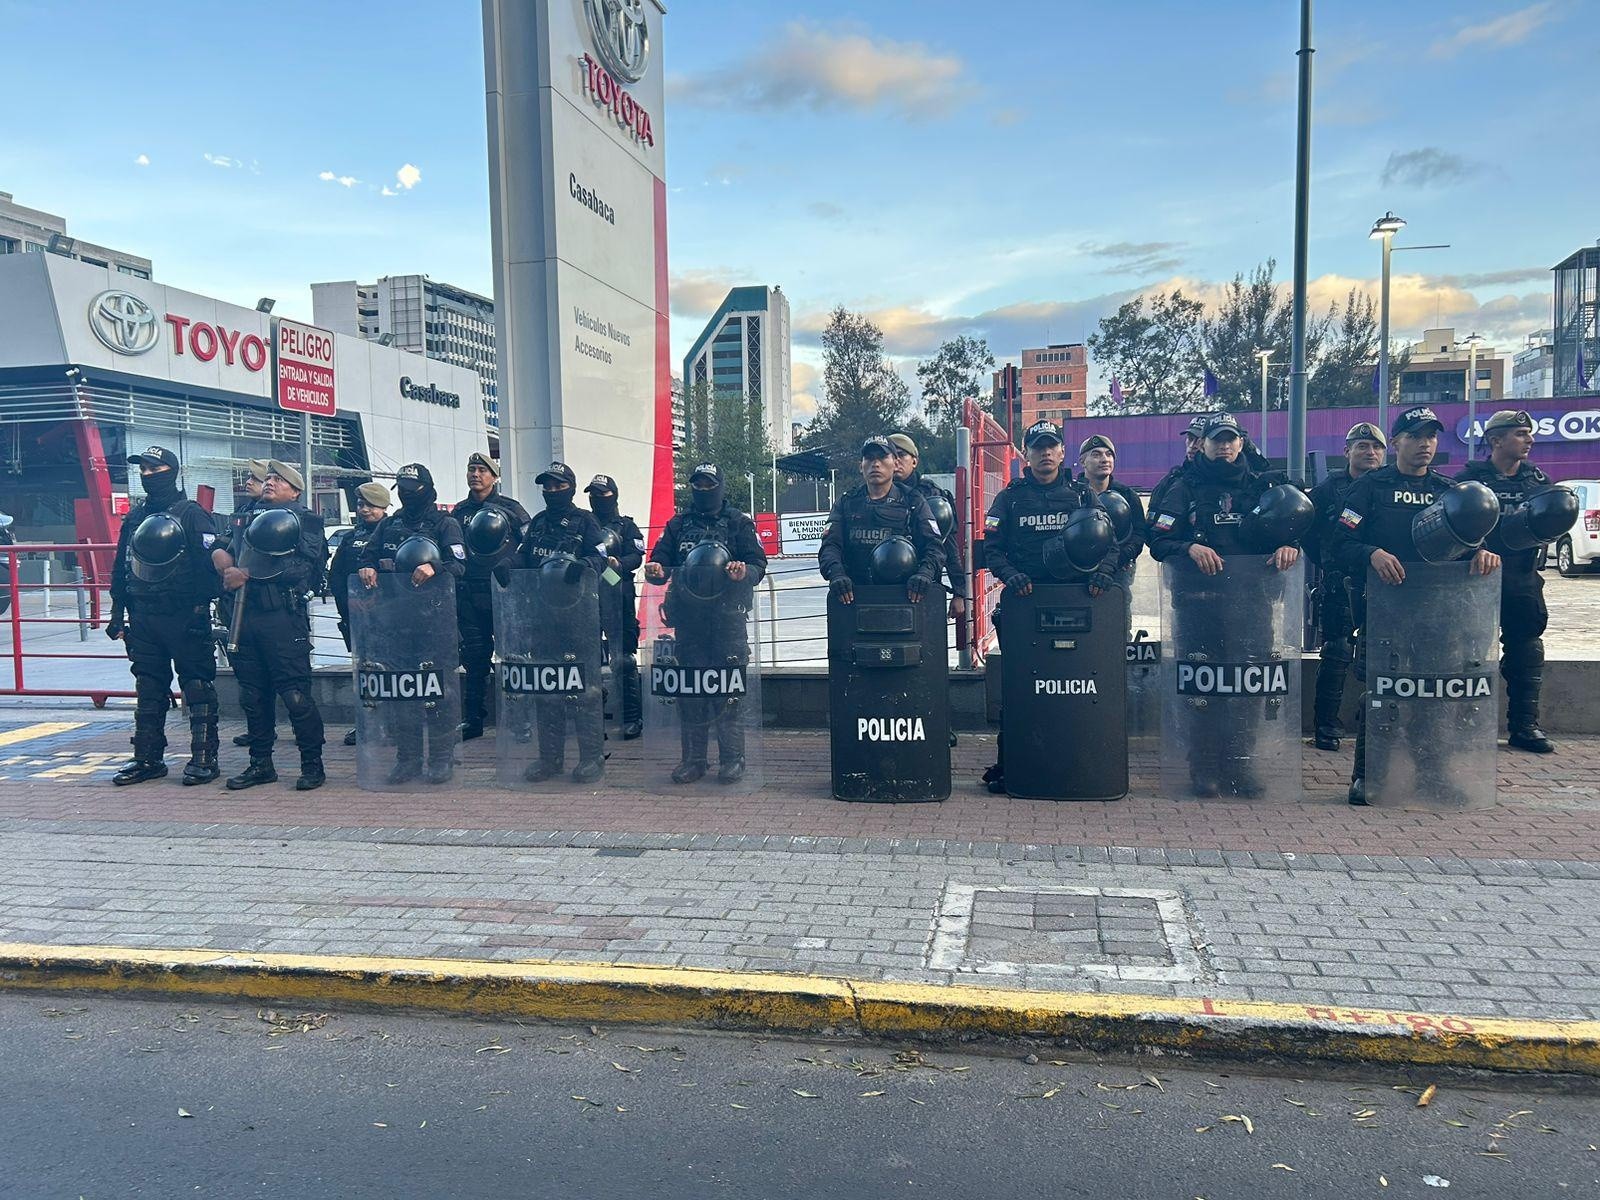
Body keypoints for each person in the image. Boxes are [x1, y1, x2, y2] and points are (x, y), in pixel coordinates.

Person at [1328, 405, 1500, 805]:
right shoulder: (1370, 487)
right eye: (1416, 436)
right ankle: (1368, 776)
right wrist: (1371, 552)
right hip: (1385, 612)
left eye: (1432, 436)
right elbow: (1338, 544)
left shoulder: (1447, 491)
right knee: (1381, 694)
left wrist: (1482, 554)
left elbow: (1471, 542)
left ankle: (1432, 775)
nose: (1425, 444)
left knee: (1433, 699)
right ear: (1397, 442)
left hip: (1439, 614)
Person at [1146, 414, 1302, 797]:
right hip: (1200, 608)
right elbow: (1158, 540)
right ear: (1205, 443)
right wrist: (1188, 547)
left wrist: (1289, 546)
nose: (1225, 446)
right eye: (1217, 440)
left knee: (1247, 693)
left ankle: (1240, 768)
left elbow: (1293, 528)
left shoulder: (1263, 486)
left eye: (1231, 439)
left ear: (1240, 442)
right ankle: (1204, 769)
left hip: (1252, 608)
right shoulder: (1184, 487)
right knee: (1204, 693)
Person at [980, 419, 1120, 794]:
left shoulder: (1081, 496)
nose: (1044, 453)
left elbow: (1112, 545)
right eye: (1037, 447)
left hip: (1078, 608)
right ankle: (1012, 764)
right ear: (1026, 454)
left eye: (1051, 446)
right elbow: (991, 548)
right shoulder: (1009, 498)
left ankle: (1079, 759)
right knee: (1019, 691)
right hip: (1026, 607)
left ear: (1061, 452)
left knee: (1078, 687)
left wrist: (1103, 573)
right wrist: (1010, 576)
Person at [106, 446, 222, 786]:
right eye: (142, 468)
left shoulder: (192, 514)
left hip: (184, 613)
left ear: (171, 471)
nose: (146, 475)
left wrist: (201, 607)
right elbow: (122, 566)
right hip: (143, 615)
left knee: (197, 686)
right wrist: (117, 612)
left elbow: (208, 567)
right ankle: (147, 758)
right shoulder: (136, 516)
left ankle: (204, 758)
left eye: (154, 468)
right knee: (149, 687)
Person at [645, 463, 768, 784]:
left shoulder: (738, 523)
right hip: (688, 621)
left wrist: (745, 572)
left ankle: (733, 758)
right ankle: (694, 760)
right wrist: (655, 570)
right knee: (692, 693)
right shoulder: (678, 524)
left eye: (708, 484)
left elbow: (758, 564)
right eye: (697, 485)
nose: (702, 490)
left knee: (727, 692)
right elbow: (659, 562)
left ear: (720, 486)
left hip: (727, 620)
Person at [212, 461, 327, 792]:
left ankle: (312, 764)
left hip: (281, 616)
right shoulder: (246, 514)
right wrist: (221, 559)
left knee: (294, 694)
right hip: (243, 617)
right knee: (252, 695)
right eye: (270, 478)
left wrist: (246, 574)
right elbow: (222, 545)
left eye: (279, 480)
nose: (270, 483)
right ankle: (260, 764)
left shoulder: (305, 519)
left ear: (295, 490)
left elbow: (301, 567)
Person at [357, 463, 467, 785]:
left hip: (435, 622)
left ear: (427, 489)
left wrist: (437, 568)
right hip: (396, 622)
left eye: (412, 488)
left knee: (437, 694)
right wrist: (366, 568)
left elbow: (460, 565)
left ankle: (441, 758)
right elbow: (366, 556)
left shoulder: (445, 524)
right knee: (402, 695)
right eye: (401, 488)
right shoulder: (389, 526)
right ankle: (408, 759)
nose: (406, 494)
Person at [1458, 410, 1556, 754]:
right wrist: (1478, 548)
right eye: (1519, 433)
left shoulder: (1537, 480)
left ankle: (1525, 726)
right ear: (1496, 441)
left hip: (1521, 576)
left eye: (1528, 433)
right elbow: (1453, 524)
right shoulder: (1471, 479)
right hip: (1477, 579)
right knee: (1469, 653)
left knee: (1526, 648)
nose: (1528, 439)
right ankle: (1466, 726)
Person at [505, 462, 609, 782]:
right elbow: (524, 557)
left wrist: (585, 564)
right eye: (546, 487)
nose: (551, 491)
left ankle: (591, 758)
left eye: (557, 486)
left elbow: (603, 556)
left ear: (570, 488)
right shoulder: (536, 523)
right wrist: (506, 564)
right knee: (546, 689)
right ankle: (549, 759)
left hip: (578, 619)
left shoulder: (585, 521)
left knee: (582, 691)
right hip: (542, 618)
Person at [1302, 422, 1387, 751]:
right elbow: (1308, 530)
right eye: (1362, 446)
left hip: (1383, 583)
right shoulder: (1328, 489)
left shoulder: (1388, 484)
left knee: (1382, 653)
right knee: (1336, 652)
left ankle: (1377, 724)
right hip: (1340, 582)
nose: (1370, 452)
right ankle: (1326, 727)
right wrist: (1327, 564)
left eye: (1376, 447)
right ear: (1347, 451)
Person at [452, 452, 531, 741]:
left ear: (494, 476)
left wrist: (512, 568)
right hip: (470, 595)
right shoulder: (458, 512)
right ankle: (473, 720)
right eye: (471, 469)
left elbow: (529, 543)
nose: (475, 474)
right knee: (474, 659)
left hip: (504, 593)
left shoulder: (511, 509)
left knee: (513, 657)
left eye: (482, 470)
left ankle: (520, 722)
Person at [819, 436, 944, 606]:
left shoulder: (913, 501)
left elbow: (934, 546)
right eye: (869, 458)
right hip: (855, 597)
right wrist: (836, 574)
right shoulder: (846, 502)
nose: (875, 464)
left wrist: (925, 574)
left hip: (905, 597)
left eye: (883, 457)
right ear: (860, 466)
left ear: (895, 463)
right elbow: (830, 546)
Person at [328, 481, 391, 747]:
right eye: (361, 504)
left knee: (391, 672)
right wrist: (348, 606)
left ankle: (391, 724)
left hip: (389, 619)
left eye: (370, 505)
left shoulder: (392, 533)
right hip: (358, 617)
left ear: (383, 507)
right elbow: (337, 576)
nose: (364, 510)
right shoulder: (351, 538)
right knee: (365, 672)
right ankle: (367, 723)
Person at [585, 473, 647, 739]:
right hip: (585, 595)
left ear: (614, 495)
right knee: (588, 658)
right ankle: (592, 715)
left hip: (616, 592)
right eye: (594, 494)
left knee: (623, 658)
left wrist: (618, 564)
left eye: (603, 494)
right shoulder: (583, 523)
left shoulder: (626, 526)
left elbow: (637, 556)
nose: (598, 499)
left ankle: (633, 717)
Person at [223, 459, 270, 748]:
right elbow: (226, 541)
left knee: (289, 686)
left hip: (270, 607)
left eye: (255, 478)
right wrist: (218, 551)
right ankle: (258, 734)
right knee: (248, 681)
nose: (248, 482)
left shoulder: (281, 515)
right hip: (238, 607)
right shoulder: (243, 512)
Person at [1077, 433, 1146, 623]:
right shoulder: (1071, 493)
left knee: (1118, 623)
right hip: (1079, 570)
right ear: (1082, 460)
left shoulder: (1127, 495)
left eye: (1109, 454)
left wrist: (1119, 559)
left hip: (1118, 571)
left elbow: (1139, 534)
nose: (1104, 459)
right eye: (1096, 454)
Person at [1147, 413, 1210, 528]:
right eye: (1190, 439)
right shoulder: (1171, 480)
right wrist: (1186, 546)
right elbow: (1152, 530)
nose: (1192, 445)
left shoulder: (1230, 479)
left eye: (1200, 441)